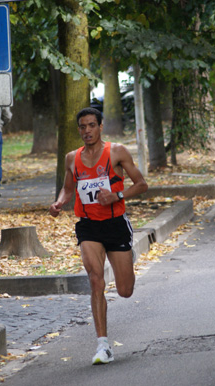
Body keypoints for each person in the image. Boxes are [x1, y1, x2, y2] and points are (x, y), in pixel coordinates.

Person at [49, 107, 148, 365]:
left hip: (115, 224)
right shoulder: (72, 158)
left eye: (91, 125)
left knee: (125, 290)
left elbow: (141, 184)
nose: (87, 131)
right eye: (82, 127)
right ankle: (103, 345)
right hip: (88, 226)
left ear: (100, 127)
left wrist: (117, 195)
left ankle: (125, 258)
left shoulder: (117, 152)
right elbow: (67, 189)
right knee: (95, 279)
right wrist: (59, 203)